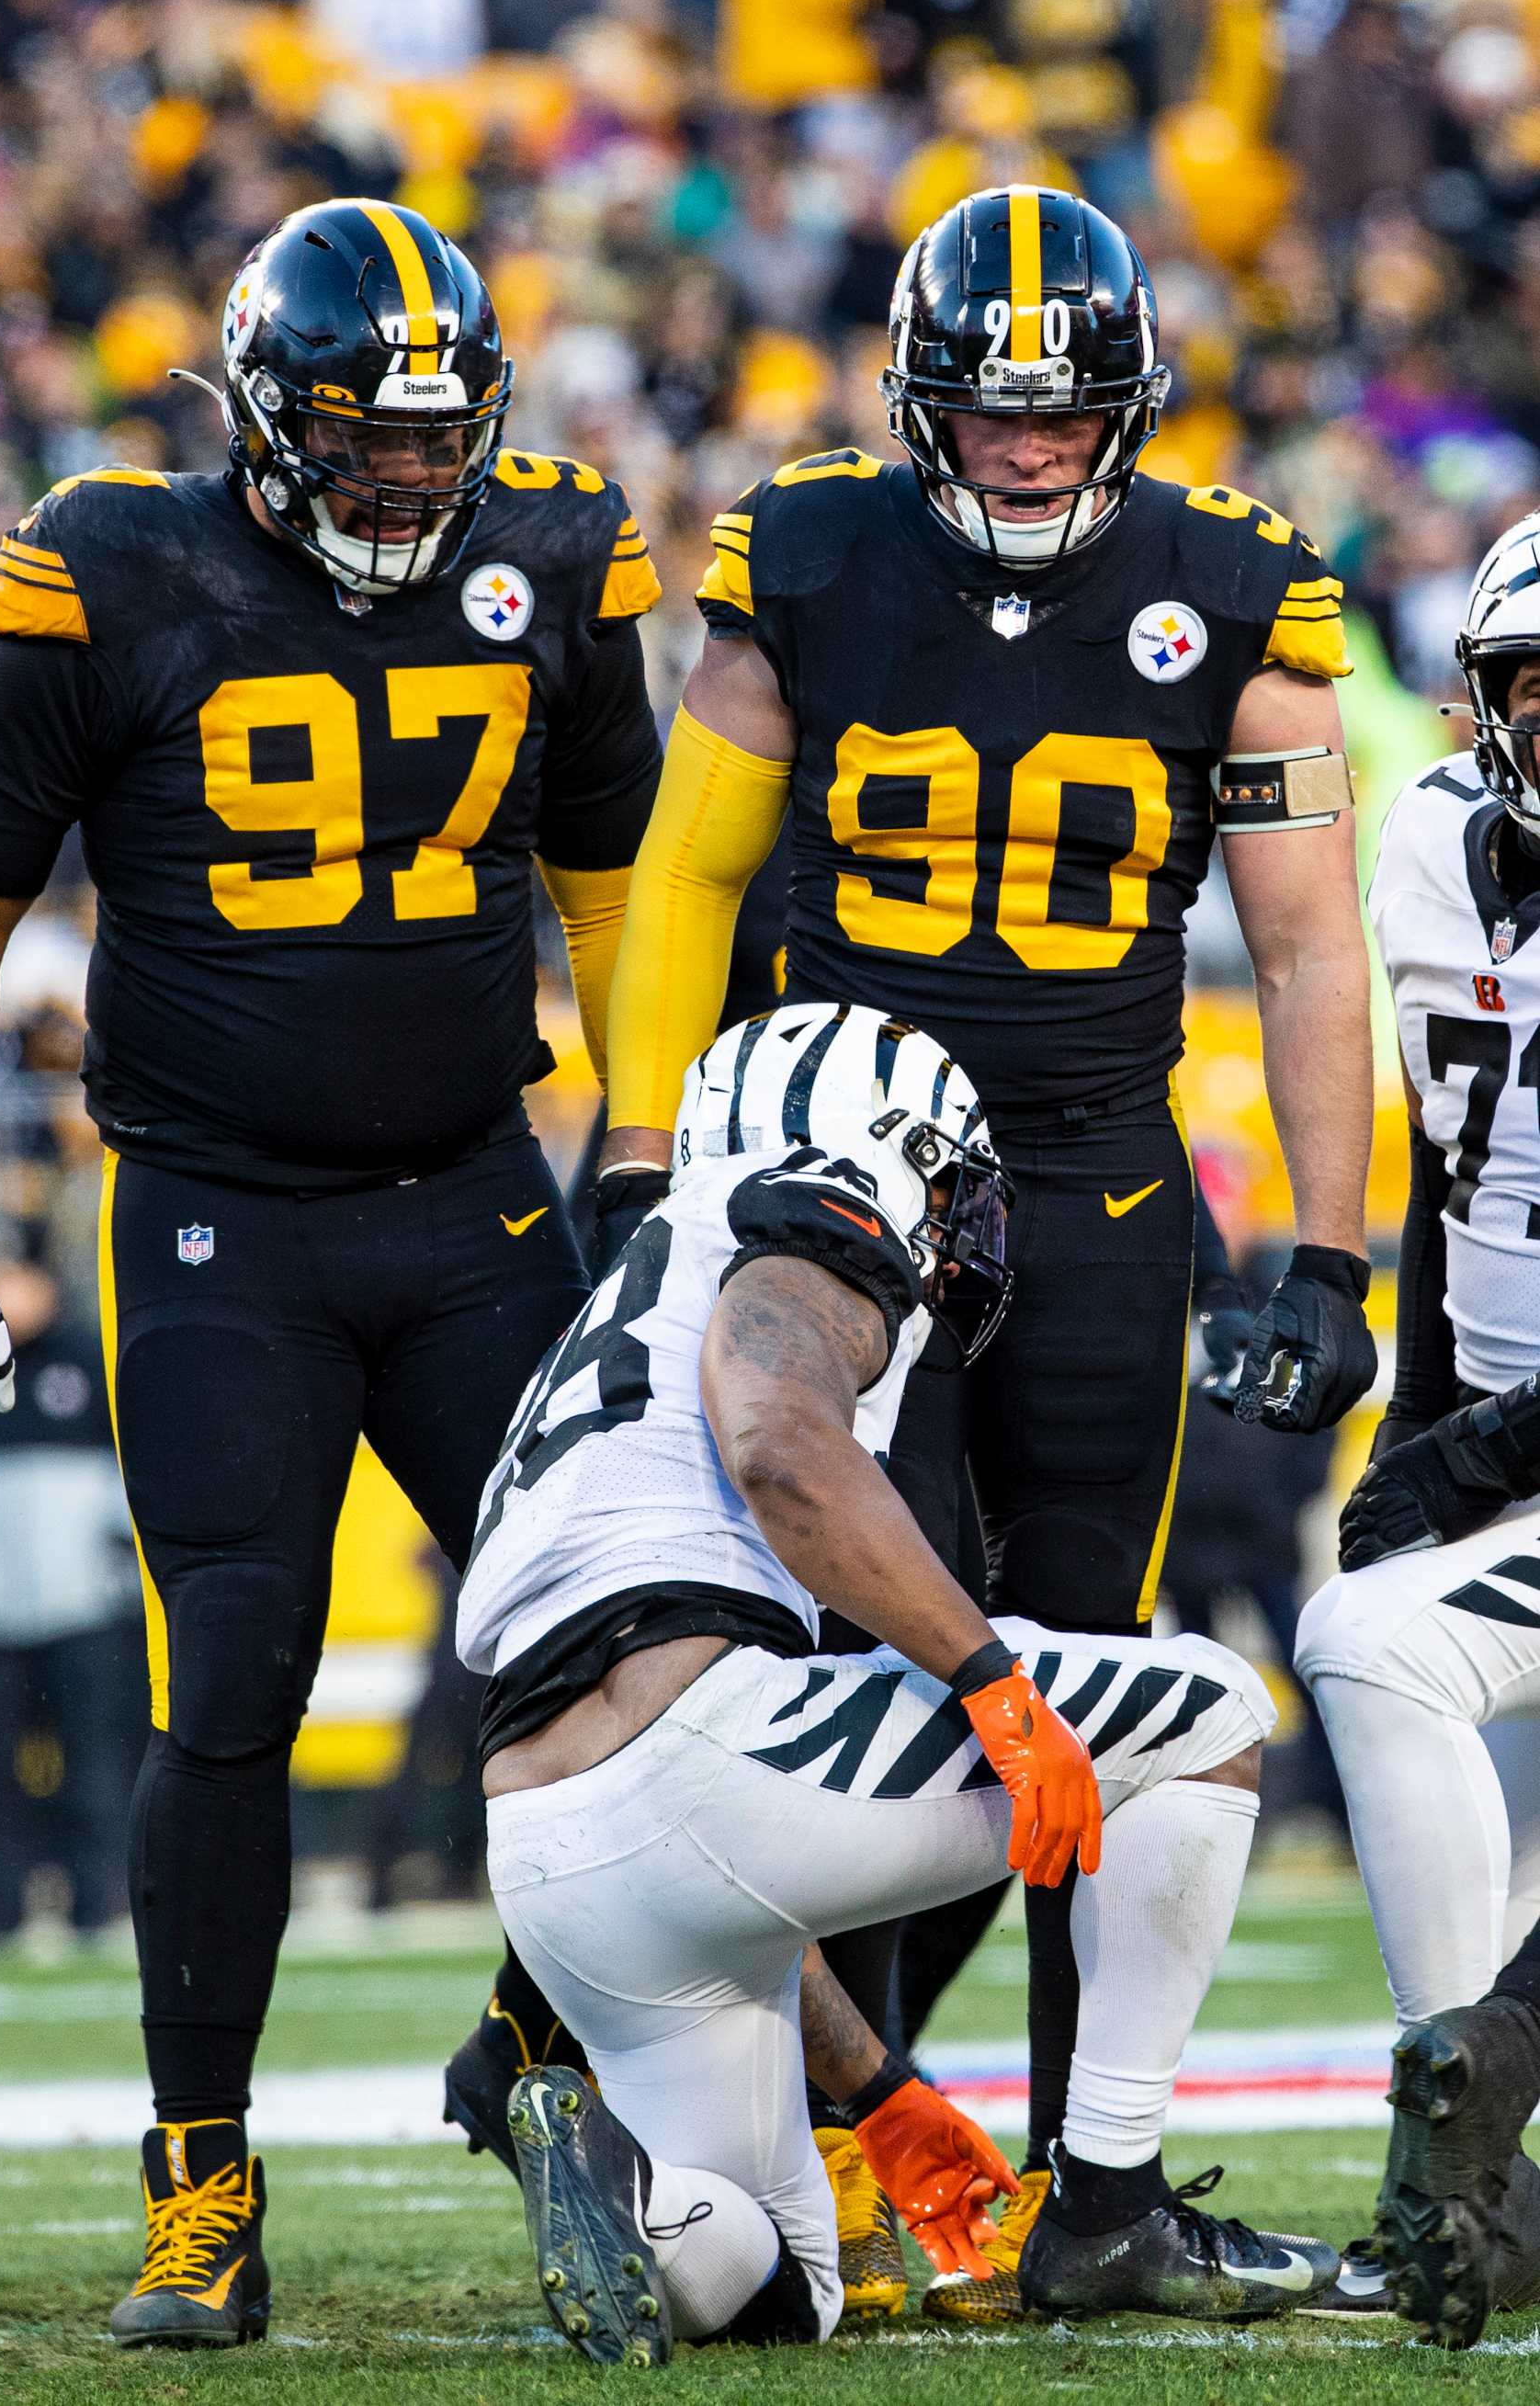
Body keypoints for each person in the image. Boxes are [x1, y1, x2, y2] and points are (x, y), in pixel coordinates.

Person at [583, 183, 1377, 2315]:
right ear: (925, 394)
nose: (1030, 449)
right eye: (994, 409)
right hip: (848, 1179)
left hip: (1109, 1188)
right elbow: (684, 870)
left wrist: (1328, 1247)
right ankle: (859, 2141)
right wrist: (639, 1144)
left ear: (1127, 401)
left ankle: (1078, 2182)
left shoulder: (1237, 589)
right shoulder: (817, 552)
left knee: (1088, 1676)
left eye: (1066, 412)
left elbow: (1311, 961)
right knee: (880, 1667)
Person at [0, 197, 662, 2348]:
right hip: (218, 1210)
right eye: (366, 440)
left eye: (444, 443)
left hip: (477, 1196)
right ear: (258, 418)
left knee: (616, 1654)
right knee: (232, 1670)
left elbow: (609, 876)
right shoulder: (113, 562)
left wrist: (658, 1141)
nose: (415, 481)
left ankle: (544, 2053)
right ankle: (199, 2183)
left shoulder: (555, 552)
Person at [459, 1000, 1339, 2361]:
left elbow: (712, 1852)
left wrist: (876, 2093)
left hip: (557, 1851)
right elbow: (781, 1446)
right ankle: (1109, 2202)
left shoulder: (631, 1286)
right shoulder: (816, 1197)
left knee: (786, 2287)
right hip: (694, 1750)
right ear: (881, 1144)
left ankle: (633, 2187)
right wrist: (989, 1680)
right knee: (1211, 1710)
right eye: (944, 1173)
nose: (955, 1212)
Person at [1297, 508, 1540, 2345]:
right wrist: (1427, 1421)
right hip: (1514, 1444)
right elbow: (1462, 1183)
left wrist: (1486, 1453)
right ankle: (1467, 2171)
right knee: (1370, 1637)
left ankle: (1499, 2074)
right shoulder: (1431, 846)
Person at [0, 1239, 147, 1947]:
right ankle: (1, 1912)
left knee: (94, 1763)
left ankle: (97, 1906)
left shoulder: (89, 1358)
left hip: (84, 1609)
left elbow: (130, 1471)